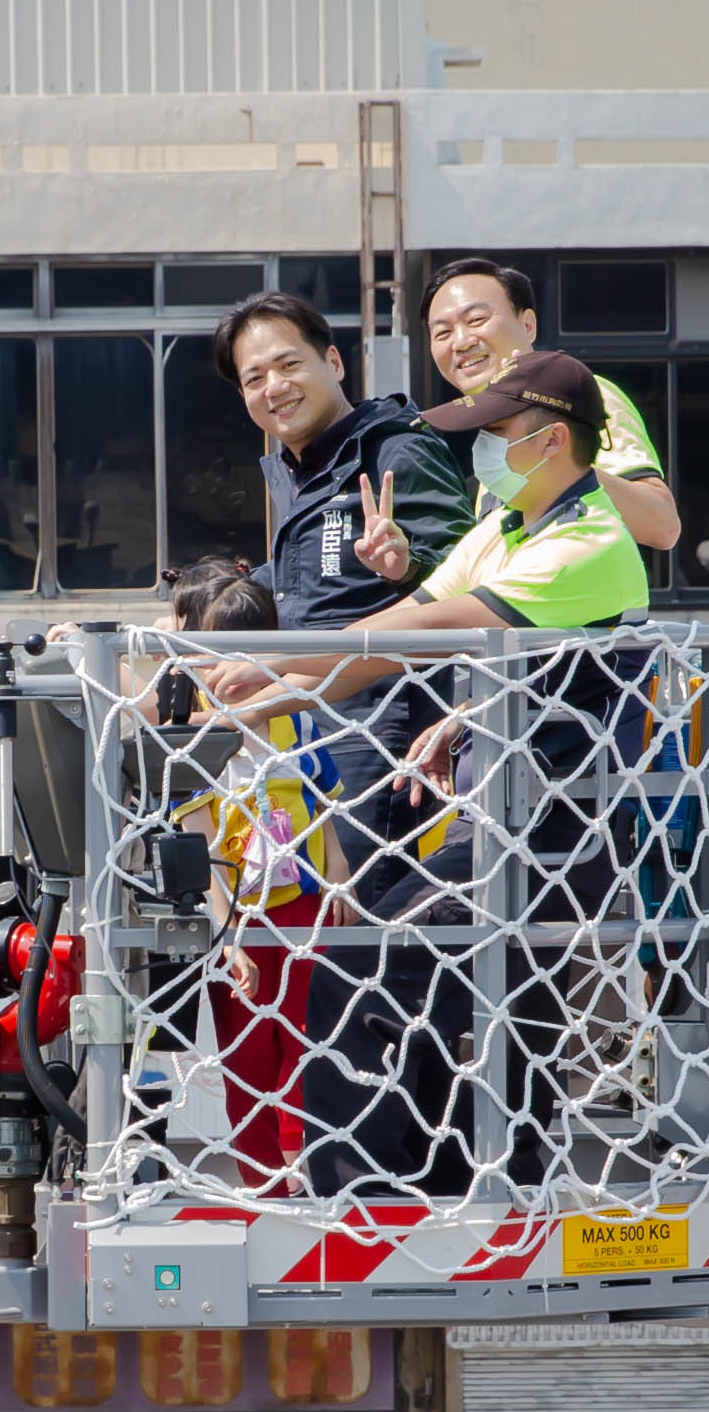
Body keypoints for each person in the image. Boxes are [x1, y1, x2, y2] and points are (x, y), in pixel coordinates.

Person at [206, 351, 651, 1196]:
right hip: (507, 823)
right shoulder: (509, 528)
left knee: (365, 969)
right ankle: (462, 1191)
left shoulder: (586, 543)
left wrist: (269, 675)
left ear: (553, 441)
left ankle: (363, 1202)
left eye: (494, 432)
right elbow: (399, 617)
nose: (480, 451)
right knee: (488, 1007)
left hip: (555, 837)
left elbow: (413, 637)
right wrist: (266, 693)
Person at [211, 289, 473, 897]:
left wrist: (404, 565)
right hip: (308, 727)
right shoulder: (299, 470)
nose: (274, 388)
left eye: (289, 365)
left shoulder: (396, 449)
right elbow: (302, 586)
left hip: (382, 733)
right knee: (314, 919)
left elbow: (468, 579)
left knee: (361, 920)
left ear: (333, 361)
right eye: (254, 378)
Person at [165, 568, 347, 1197]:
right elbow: (202, 847)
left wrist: (340, 877)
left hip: (302, 903)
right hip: (239, 917)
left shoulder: (295, 718)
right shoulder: (194, 736)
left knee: (304, 1041)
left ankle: (304, 1167)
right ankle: (265, 1187)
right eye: (220, 654)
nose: (233, 671)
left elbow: (324, 800)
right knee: (247, 1059)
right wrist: (228, 937)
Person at [422, 257, 682, 554]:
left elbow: (662, 524)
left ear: (528, 325)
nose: (461, 342)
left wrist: (560, 467)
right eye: (442, 333)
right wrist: (407, 566)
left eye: (477, 320)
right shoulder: (490, 441)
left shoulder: (579, 397)